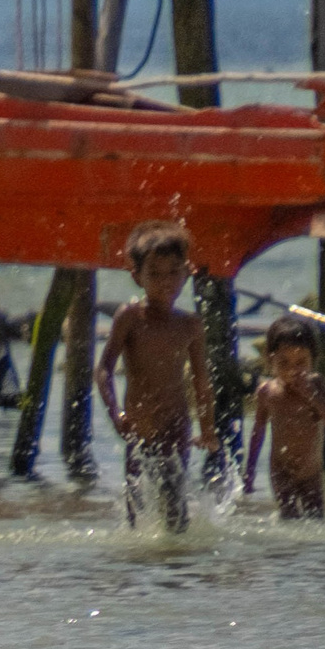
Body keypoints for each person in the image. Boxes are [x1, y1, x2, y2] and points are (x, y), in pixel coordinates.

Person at [96, 220, 221, 531]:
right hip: (139, 426)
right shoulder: (129, 318)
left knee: (175, 507)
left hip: (176, 423)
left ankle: (176, 564)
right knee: (136, 507)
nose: (165, 281)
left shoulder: (190, 325)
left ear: (186, 271)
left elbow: (201, 382)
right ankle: (142, 567)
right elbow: (103, 370)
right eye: (155, 274)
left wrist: (207, 429)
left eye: (173, 272)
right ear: (137, 276)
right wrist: (116, 413)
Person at [243, 313, 325, 519]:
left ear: (313, 360)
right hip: (281, 472)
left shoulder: (317, 384)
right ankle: (288, 550)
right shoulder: (266, 392)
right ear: (270, 360)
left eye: (301, 362)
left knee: (316, 519)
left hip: (311, 473)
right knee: (289, 518)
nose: (293, 370)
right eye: (284, 362)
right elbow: (258, 431)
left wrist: (311, 396)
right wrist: (250, 470)